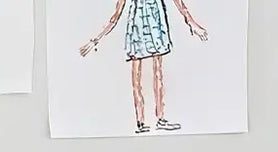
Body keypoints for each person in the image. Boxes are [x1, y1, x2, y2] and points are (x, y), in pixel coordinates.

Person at [80, 0, 209, 133]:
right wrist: (95, 40)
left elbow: (178, 2)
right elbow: (116, 16)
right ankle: (140, 121)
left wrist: (192, 23)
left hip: (156, 21)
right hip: (138, 25)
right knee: (137, 76)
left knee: (157, 73)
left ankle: (159, 118)